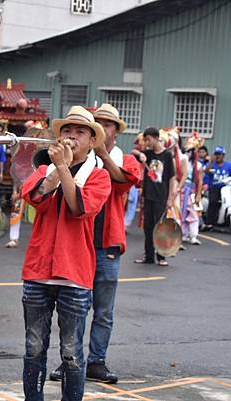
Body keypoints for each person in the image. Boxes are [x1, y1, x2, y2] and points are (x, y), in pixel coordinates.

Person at [20, 106, 111, 401]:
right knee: (34, 348)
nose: (72, 136)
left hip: (75, 274)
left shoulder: (99, 177)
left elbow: (77, 208)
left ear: (92, 141)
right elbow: (35, 199)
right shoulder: (43, 170)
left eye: (80, 132)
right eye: (67, 131)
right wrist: (57, 169)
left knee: (71, 352)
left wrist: (62, 169)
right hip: (37, 272)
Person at [48, 104, 141, 385]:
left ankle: (97, 361)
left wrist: (101, 154)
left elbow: (124, 184)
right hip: (77, 244)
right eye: (98, 124)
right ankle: (71, 360)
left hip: (106, 244)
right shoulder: (74, 158)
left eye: (108, 125)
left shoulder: (125, 159)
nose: (103, 129)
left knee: (102, 310)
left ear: (114, 131)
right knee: (74, 309)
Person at [132, 127, 176, 266]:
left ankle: (161, 257)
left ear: (157, 138)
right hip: (148, 196)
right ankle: (149, 256)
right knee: (148, 227)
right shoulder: (148, 154)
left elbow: (171, 178)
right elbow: (133, 151)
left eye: (148, 139)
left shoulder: (167, 156)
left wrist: (170, 198)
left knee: (160, 228)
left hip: (161, 197)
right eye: (145, 140)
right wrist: (140, 155)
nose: (147, 142)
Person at [180, 134, 203, 245]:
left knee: (193, 214)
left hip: (192, 191)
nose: (188, 153)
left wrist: (198, 194)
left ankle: (193, 235)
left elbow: (200, 181)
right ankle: (183, 234)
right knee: (182, 213)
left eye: (191, 151)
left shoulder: (198, 165)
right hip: (182, 190)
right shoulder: (182, 161)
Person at [203, 146, 231, 229]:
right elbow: (206, 171)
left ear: (223, 155)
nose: (218, 156)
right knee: (213, 201)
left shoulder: (228, 165)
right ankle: (210, 222)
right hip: (214, 187)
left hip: (226, 188)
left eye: (219, 154)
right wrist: (211, 162)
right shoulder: (211, 165)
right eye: (216, 154)